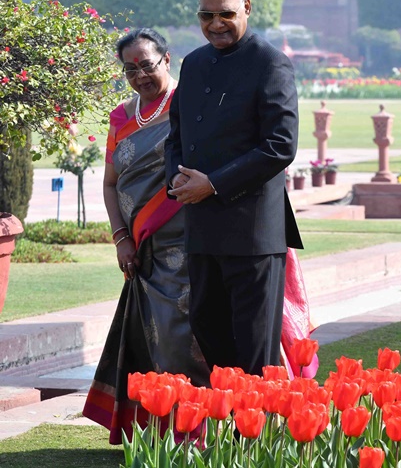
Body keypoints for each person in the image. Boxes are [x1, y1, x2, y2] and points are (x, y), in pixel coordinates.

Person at [83, 28, 313, 444]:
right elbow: (111, 183)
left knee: (226, 345)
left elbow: (273, 146)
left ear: (166, 60)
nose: (140, 75)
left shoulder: (191, 97)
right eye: (130, 69)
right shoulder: (122, 116)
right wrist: (122, 237)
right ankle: (179, 434)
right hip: (151, 256)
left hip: (210, 239)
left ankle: (238, 434)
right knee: (166, 347)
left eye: (147, 65)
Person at [165, 0, 303, 378]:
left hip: (253, 233)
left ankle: (256, 438)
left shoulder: (270, 63)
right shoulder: (194, 64)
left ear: (246, 8)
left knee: (254, 348)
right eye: (206, 16)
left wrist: (213, 184)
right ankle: (230, 434)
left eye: (225, 14)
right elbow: (176, 137)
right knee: (207, 328)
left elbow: (281, 145)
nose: (215, 24)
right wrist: (177, 178)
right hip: (203, 229)